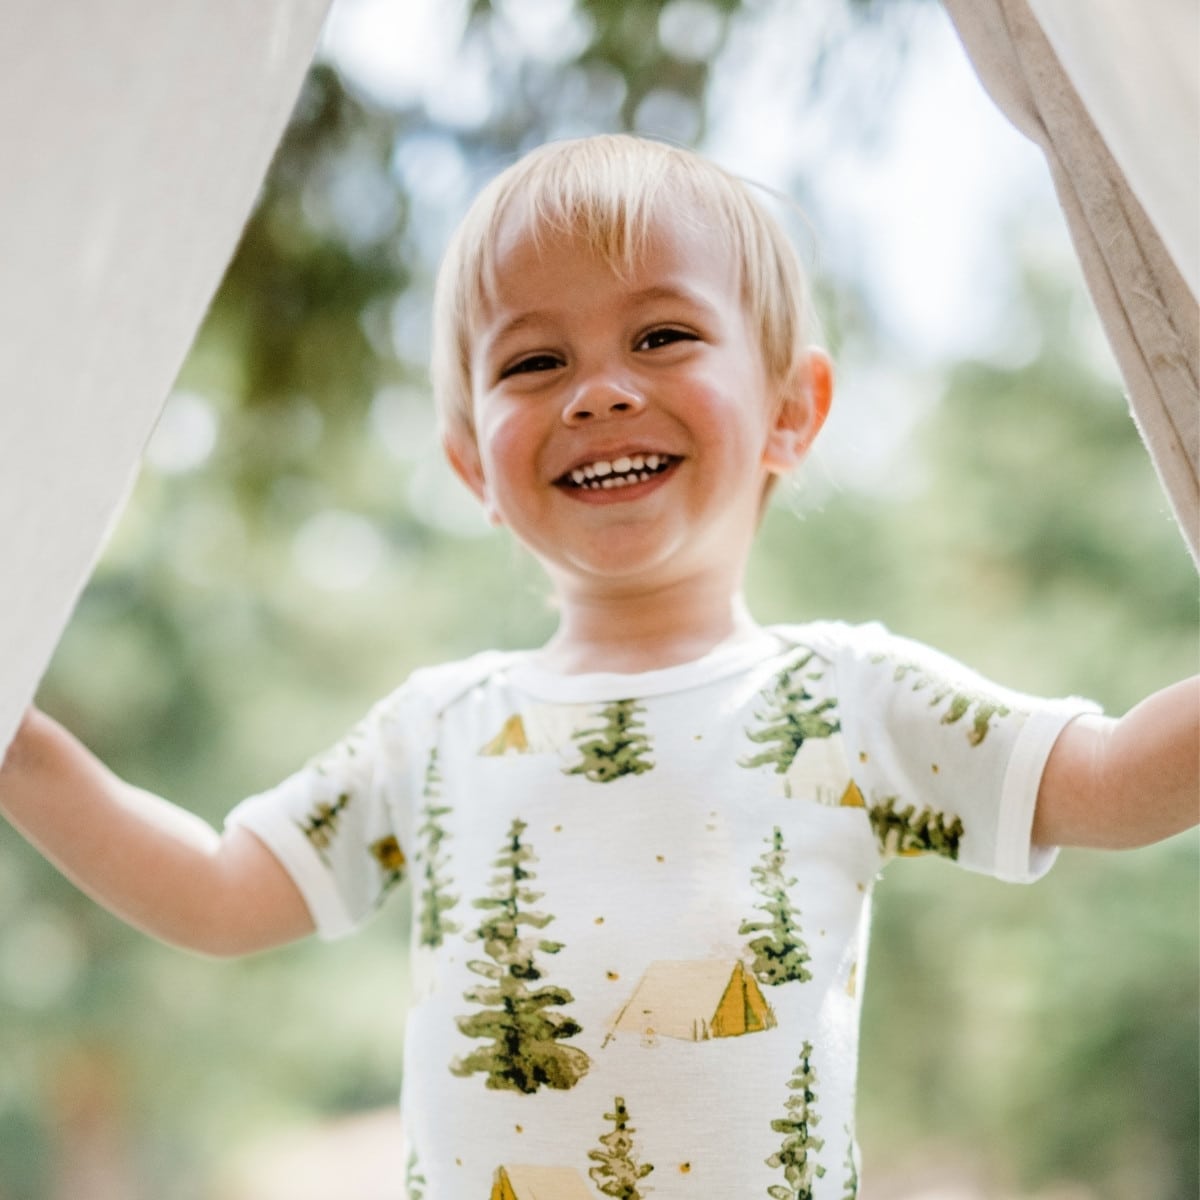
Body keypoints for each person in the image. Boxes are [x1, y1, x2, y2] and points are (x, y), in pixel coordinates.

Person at [1, 134, 1196, 1198]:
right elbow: (217, 892)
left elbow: (1112, 779)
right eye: (533, 364)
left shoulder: (848, 700)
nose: (600, 392)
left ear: (793, 408)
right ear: (472, 463)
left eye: (662, 336)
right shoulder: (437, 729)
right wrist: (24, 747)